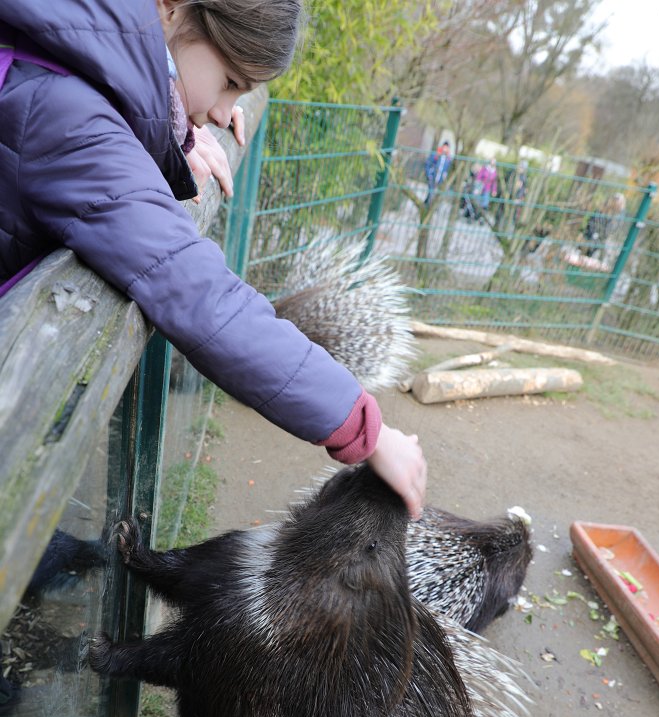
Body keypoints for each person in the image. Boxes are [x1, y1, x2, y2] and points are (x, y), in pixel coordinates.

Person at [0, 0, 426, 519]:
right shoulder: (67, 119)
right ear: (173, 7)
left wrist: (174, 134)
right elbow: (201, 296)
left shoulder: (64, 58)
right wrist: (370, 432)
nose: (226, 114)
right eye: (229, 82)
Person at [582, 192, 627, 261]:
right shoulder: (602, 210)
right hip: (592, 236)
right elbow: (591, 223)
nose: (615, 202)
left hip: (605, 241)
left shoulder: (619, 217)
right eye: (615, 200)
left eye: (618, 200)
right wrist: (594, 234)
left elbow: (611, 231)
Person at [424, 140, 452, 206]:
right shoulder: (436, 154)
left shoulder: (448, 159)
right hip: (432, 177)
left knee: (433, 193)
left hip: (439, 180)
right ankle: (427, 205)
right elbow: (428, 164)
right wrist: (429, 174)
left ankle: (427, 205)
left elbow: (446, 170)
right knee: (431, 192)